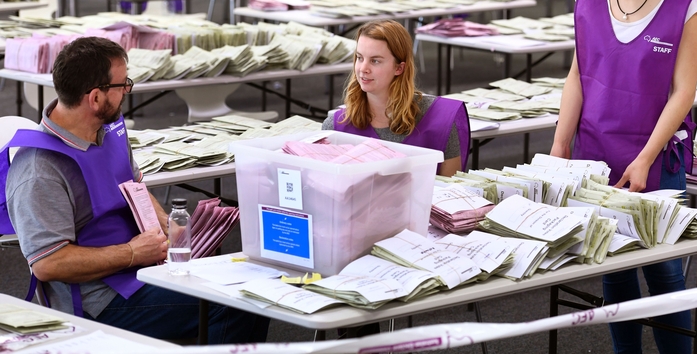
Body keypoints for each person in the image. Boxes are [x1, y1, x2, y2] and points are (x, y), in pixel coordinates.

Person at [0, 37, 269, 344]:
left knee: (249, 285)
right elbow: (48, 263)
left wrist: (165, 225)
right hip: (98, 301)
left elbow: (133, 185)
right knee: (237, 306)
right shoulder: (39, 169)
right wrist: (131, 253)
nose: (127, 91)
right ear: (96, 98)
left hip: (143, 268)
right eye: (122, 85)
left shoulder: (106, 130)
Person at [550, 0, 697, 353]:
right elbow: (578, 74)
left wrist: (645, 159)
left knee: (662, 270)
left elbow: (683, 93)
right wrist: (561, 146)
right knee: (612, 263)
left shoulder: (685, 6)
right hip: (595, 148)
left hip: (655, 156)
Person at [322, 19, 470, 177]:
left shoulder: (442, 122)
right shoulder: (335, 128)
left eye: (375, 61)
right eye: (359, 58)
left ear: (399, 68)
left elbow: (449, 193)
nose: (363, 69)